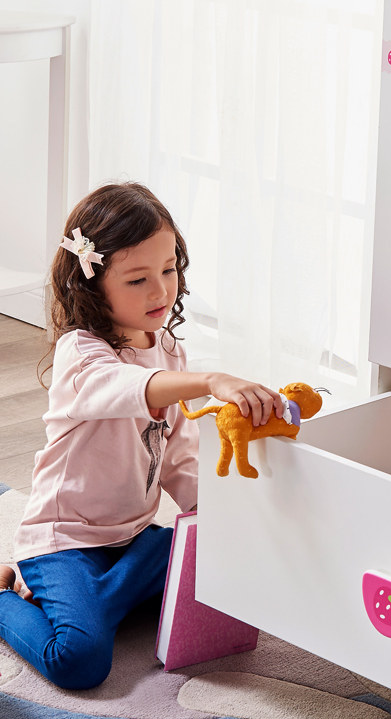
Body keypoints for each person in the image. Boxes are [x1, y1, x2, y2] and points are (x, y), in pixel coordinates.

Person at [0, 182, 282, 690]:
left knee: (220, 567)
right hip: (65, 542)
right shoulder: (79, 353)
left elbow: (177, 456)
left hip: (134, 540)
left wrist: (220, 517)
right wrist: (212, 381)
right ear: (91, 284)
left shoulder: (168, 349)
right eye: (137, 279)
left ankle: (101, 600)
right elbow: (128, 386)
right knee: (79, 659)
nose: (160, 291)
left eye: (169, 270)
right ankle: (11, 593)